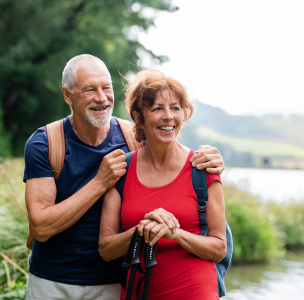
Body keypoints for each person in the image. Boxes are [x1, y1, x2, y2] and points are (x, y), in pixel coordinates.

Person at [23, 55, 225, 300]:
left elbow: (166, 142)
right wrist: (100, 182)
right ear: (68, 95)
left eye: (106, 88)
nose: (101, 97)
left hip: (114, 282)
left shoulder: (132, 136)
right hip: (53, 281)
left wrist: (211, 157)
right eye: (89, 89)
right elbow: (41, 227)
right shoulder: (45, 142)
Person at [98, 70, 227, 300]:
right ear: (139, 118)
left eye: (175, 108)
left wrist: (174, 233)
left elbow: (219, 249)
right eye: (157, 108)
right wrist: (142, 229)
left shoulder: (203, 168)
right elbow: (106, 249)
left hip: (195, 293)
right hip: (139, 293)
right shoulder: (121, 170)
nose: (168, 116)